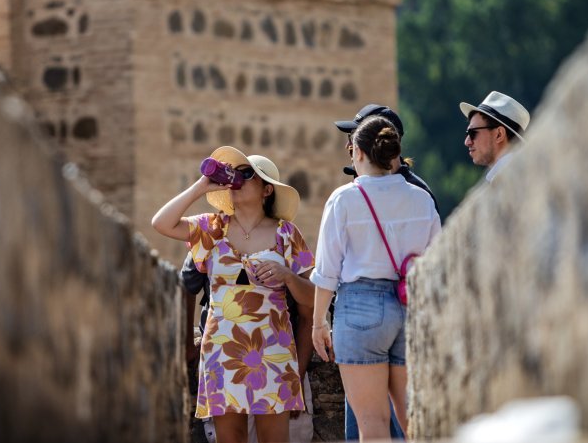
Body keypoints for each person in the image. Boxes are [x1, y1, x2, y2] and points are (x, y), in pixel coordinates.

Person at [152, 146, 315, 443]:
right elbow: (161, 223)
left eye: (246, 174)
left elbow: (313, 301)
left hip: (273, 352)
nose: (237, 178)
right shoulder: (211, 228)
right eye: (234, 172)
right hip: (222, 352)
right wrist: (202, 186)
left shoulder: (287, 234)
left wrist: (288, 277)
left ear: (267, 190)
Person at [311, 116, 442, 441]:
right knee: (412, 419)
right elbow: (436, 261)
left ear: (357, 152)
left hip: (360, 308)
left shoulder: (344, 199)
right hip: (409, 306)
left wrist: (317, 323)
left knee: (371, 424)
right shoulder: (422, 199)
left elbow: (327, 270)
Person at [460, 91, 530, 182]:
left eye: (473, 132)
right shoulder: (522, 173)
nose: (467, 142)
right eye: (467, 133)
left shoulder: (511, 180)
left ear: (499, 134)